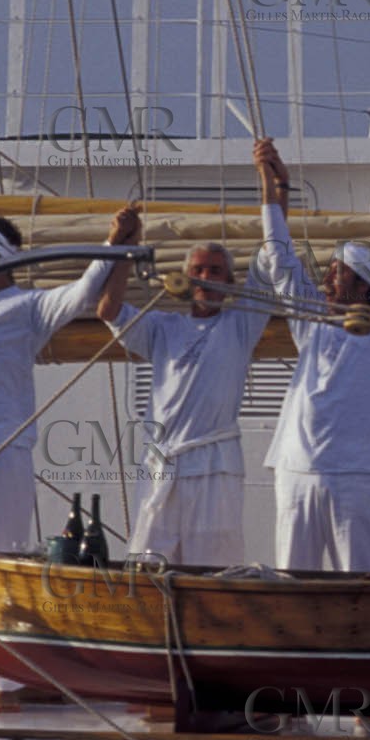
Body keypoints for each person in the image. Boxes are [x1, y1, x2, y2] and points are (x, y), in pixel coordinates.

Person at [0, 203, 126, 712]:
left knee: (2, 569)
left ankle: (5, 687)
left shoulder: (29, 307)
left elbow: (83, 293)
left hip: (2, 449)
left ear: (1, 259)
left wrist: (115, 241)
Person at [253, 137, 370, 571]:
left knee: (359, 585)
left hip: (356, 478)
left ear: (364, 284)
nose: (327, 280)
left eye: (338, 272)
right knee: (292, 583)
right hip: (296, 472)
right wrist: (274, 187)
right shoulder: (309, 319)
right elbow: (279, 257)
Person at [97, 209, 272, 567]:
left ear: (230, 281)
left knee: (212, 567)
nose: (206, 278)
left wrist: (275, 192)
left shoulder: (241, 325)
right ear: (185, 278)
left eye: (215, 271)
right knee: (148, 564)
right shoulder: (163, 327)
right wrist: (124, 246)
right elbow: (108, 310)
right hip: (162, 463)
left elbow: (271, 258)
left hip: (214, 466)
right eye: (199, 271)